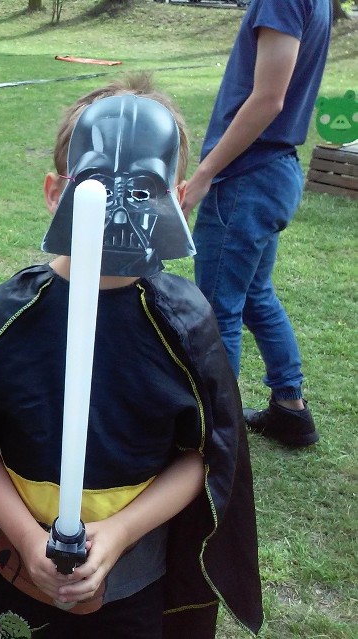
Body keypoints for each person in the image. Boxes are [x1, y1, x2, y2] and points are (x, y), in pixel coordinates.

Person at [0, 76, 263, 638]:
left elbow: (202, 455)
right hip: (17, 576)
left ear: (178, 198)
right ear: (54, 192)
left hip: (133, 585)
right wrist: (26, 537)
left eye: (140, 194)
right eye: (95, 188)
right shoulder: (12, 316)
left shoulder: (183, 325)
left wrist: (117, 534)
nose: (116, 212)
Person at [181, 0, 330, 448]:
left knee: (218, 307)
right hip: (272, 171)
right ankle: (290, 410)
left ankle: (213, 432)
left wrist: (206, 172)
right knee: (254, 297)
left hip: (248, 176)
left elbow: (268, 98)